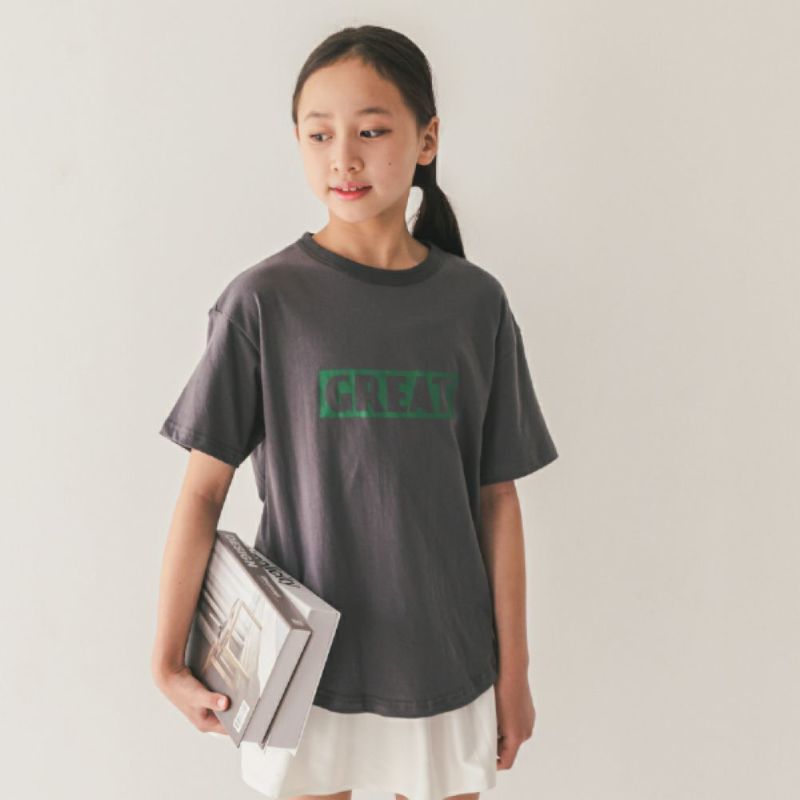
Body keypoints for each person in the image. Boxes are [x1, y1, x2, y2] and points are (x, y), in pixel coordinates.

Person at [151, 23, 559, 800]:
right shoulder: (263, 302)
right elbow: (202, 492)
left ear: (427, 138)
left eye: (371, 131)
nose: (343, 157)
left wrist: (515, 674)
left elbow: (498, 500)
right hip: (301, 672)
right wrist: (166, 659)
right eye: (320, 135)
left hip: (446, 665)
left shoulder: (476, 304)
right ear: (298, 144)